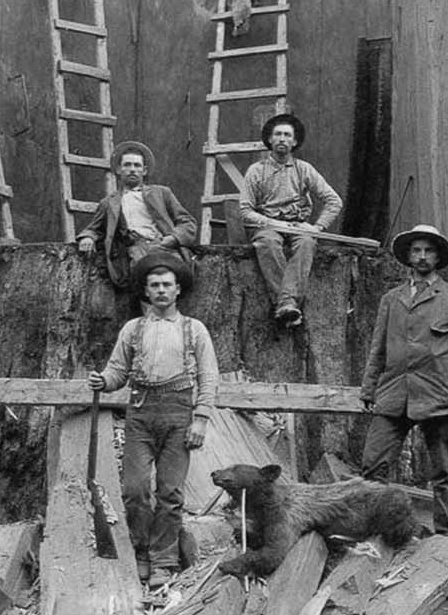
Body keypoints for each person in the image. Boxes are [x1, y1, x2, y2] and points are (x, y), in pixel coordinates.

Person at [88, 251, 219, 589]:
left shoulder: (195, 330)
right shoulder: (133, 329)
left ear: (178, 290)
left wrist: (200, 418)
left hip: (179, 414)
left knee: (170, 492)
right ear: (146, 292)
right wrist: (104, 380)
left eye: (167, 285)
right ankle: (140, 552)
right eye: (154, 285)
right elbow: (117, 370)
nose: (161, 290)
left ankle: (164, 561)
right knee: (134, 490)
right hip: (140, 414)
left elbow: (209, 376)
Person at [359, 224, 448, 535]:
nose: (422, 256)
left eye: (429, 250)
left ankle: (447, 526)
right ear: (408, 256)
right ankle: (372, 525)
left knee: (443, 469)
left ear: (438, 257)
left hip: (438, 394)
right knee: (373, 465)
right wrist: (369, 387)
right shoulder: (391, 299)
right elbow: (378, 347)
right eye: (416, 250)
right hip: (393, 393)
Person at [238, 112, 343, 326]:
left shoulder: (304, 169)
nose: (282, 139)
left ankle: (285, 303)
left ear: (294, 141)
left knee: (307, 242)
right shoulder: (256, 171)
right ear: (269, 139)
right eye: (277, 134)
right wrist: (274, 223)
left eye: (287, 135)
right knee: (267, 242)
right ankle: (287, 302)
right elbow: (245, 211)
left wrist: (317, 227)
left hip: (298, 225)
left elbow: (334, 201)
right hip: (268, 225)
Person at [75, 141, 198, 289]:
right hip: (135, 249)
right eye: (127, 165)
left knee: (172, 281)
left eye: (137, 165)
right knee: (145, 283)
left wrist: (172, 239)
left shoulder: (161, 193)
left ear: (144, 171)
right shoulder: (109, 203)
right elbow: (94, 228)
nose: (132, 170)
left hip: (164, 246)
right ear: (119, 169)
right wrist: (87, 237)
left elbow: (188, 222)